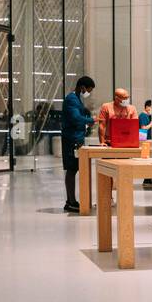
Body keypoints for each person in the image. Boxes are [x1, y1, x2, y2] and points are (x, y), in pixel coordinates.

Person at [61, 76, 96, 213]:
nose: (89, 92)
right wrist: (90, 120)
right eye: (88, 90)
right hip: (72, 139)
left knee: (74, 168)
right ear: (82, 87)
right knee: (71, 169)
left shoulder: (76, 98)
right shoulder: (72, 99)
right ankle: (70, 202)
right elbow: (75, 118)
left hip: (76, 138)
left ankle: (73, 200)